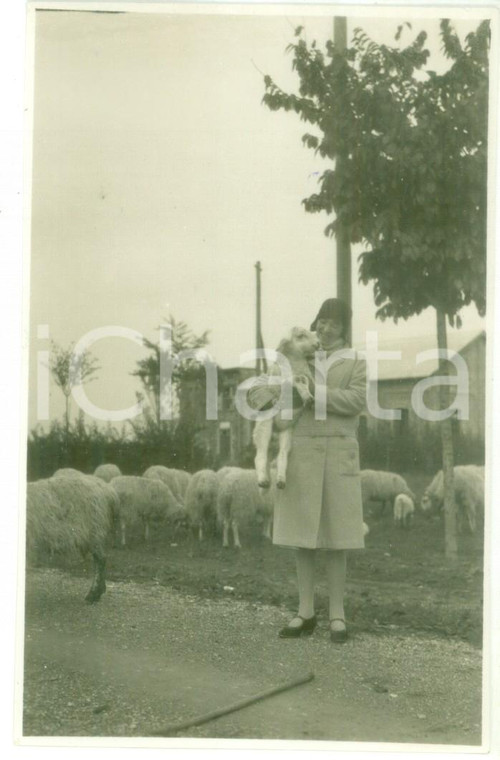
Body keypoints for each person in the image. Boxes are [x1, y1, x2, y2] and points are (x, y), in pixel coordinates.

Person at [272, 298, 367, 643]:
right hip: (304, 450)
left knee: (338, 536)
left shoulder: (356, 360)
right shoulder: (299, 358)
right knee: (303, 537)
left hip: (339, 450)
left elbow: (356, 401)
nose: (326, 329)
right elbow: (283, 401)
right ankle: (305, 611)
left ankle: (337, 614)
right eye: (321, 322)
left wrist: (316, 391)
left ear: (344, 328)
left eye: (334, 324)